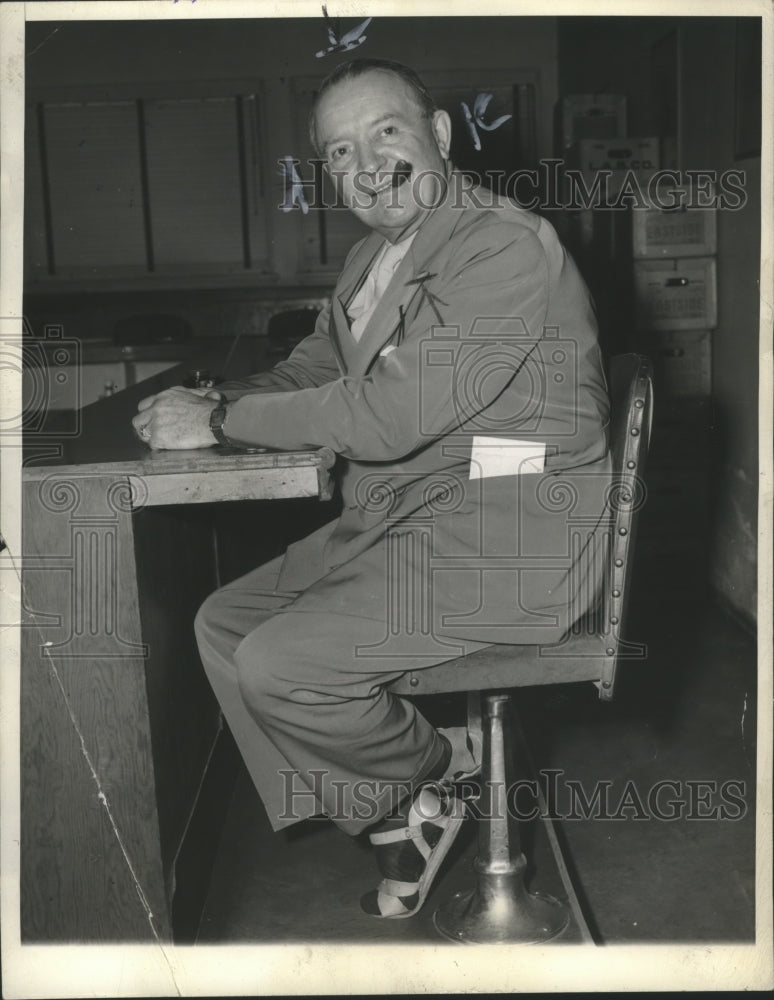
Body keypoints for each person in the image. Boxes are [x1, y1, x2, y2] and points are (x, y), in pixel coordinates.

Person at [132, 58, 611, 920]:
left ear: (440, 136)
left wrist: (223, 422)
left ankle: (437, 770)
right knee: (223, 625)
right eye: (339, 152)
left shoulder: (500, 243)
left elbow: (391, 417)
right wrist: (219, 403)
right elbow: (315, 368)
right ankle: (401, 815)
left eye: (386, 132)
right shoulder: (370, 258)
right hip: (415, 514)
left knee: (280, 663)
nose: (366, 164)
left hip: (516, 535)